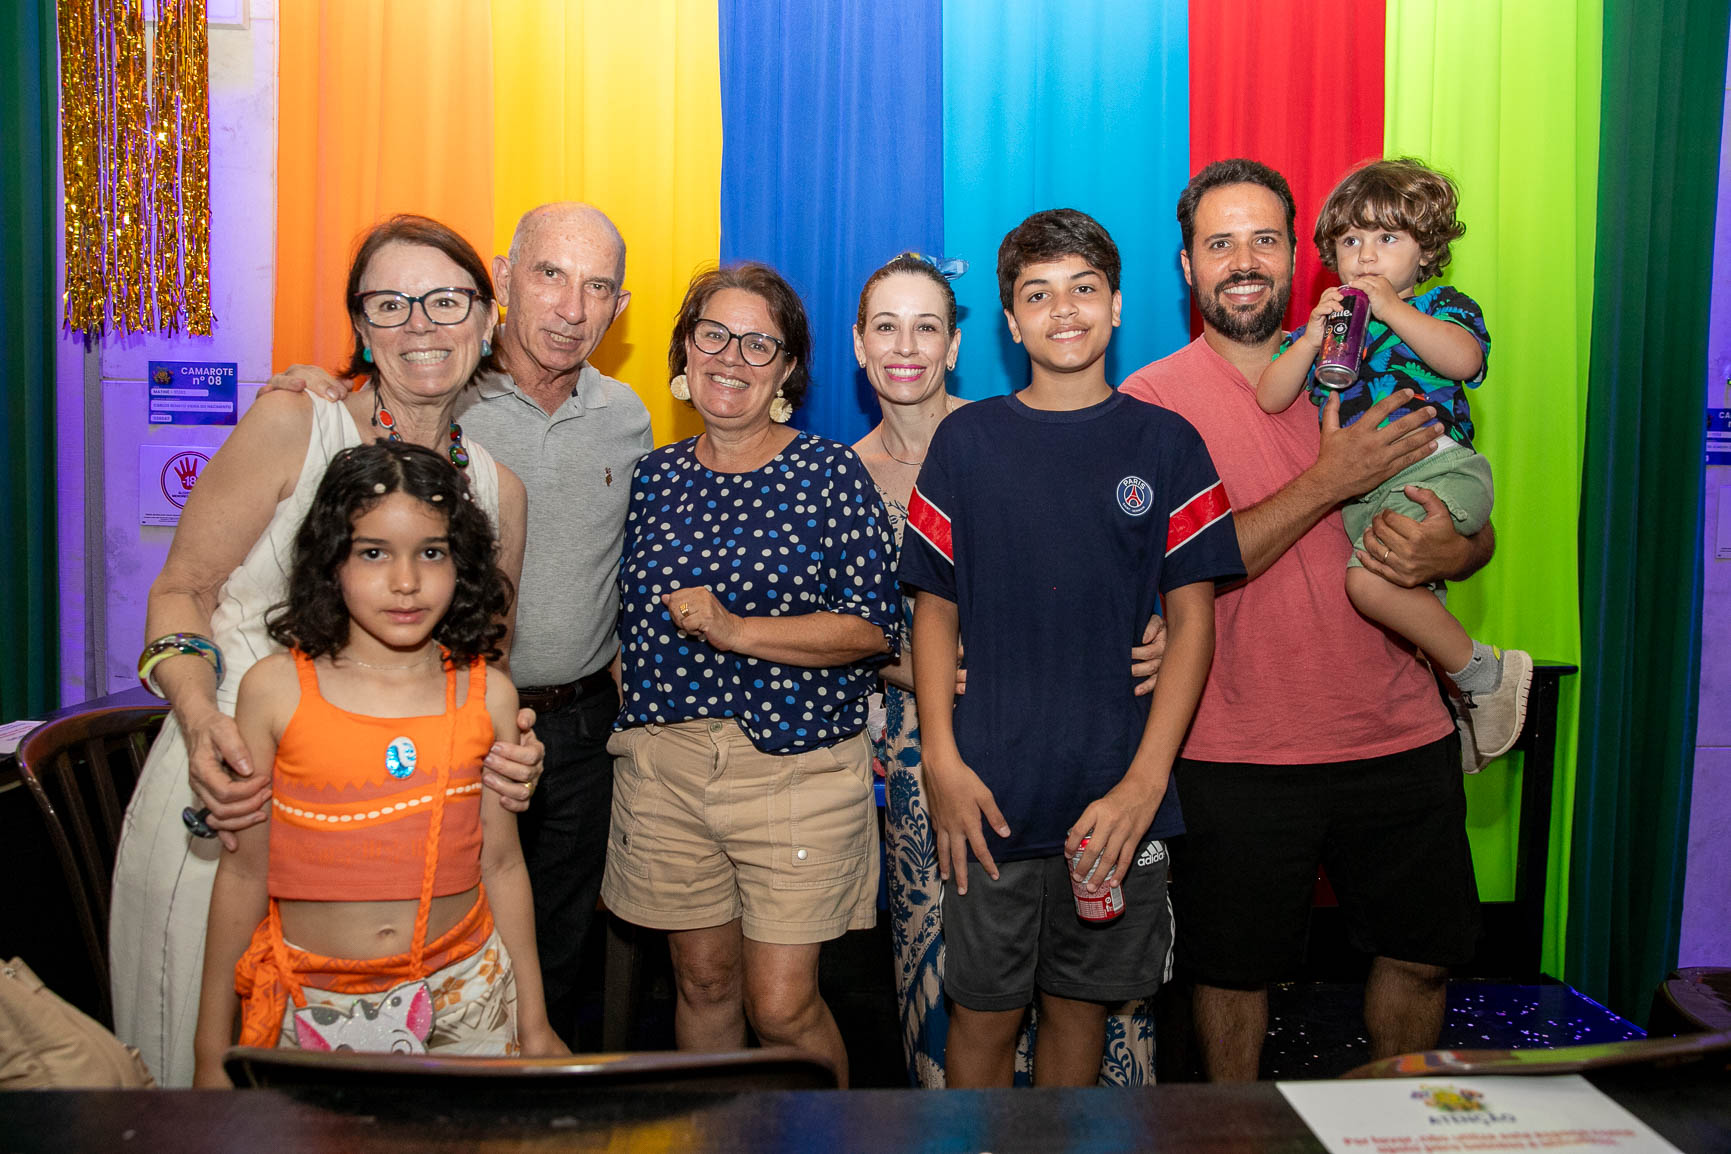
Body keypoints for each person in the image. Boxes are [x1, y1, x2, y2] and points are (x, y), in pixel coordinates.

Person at [110, 214, 541, 1087]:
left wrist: (512, 749)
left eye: (446, 300)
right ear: (359, 325)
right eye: (390, 304)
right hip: (235, 786)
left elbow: (480, 669)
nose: (420, 325)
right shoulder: (293, 423)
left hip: (400, 835)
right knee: (200, 1081)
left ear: (487, 317)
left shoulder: (498, 490)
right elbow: (180, 590)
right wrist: (199, 719)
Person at [1120, 159, 1493, 1080]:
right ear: (1187, 265)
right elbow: (1178, 565)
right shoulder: (1150, 404)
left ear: (1298, 255)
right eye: (1219, 244)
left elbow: (1463, 515)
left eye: (1264, 240)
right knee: (1231, 972)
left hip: (1396, 729)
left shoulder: (1381, 353)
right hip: (1233, 747)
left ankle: (1399, 1136)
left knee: (1420, 954)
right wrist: (1328, 480)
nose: (1243, 261)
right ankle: (1232, 1137)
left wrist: (1454, 551)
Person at [265, 203, 652, 1047]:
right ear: (502, 283)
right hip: (429, 729)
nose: (571, 308)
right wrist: (311, 381)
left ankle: (536, 1090)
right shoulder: (439, 384)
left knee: (558, 948)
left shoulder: (627, 415)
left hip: (577, 728)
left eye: (596, 288)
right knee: (426, 938)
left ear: (619, 307)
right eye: (549, 276)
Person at [900, 210, 1244, 1088]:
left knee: (1080, 1012)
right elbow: (933, 608)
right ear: (1010, 322)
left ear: (1117, 306)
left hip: (1115, 800)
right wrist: (940, 759)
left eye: (1083, 289)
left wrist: (1144, 783)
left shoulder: (1166, 444)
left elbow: (1192, 622)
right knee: (980, 1016)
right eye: (1038, 294)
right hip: (987, 797)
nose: (1063, 310)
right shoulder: (965, 442)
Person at [849, 252, 1168, 1087]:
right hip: (936, 756)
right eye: (886, 327)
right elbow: (860, 620)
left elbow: (1126, 572)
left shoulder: (1003, 436)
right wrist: (925, 691)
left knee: (1083, 995)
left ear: (957, 343)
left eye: (926, 327)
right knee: (957, 982)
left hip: (1069, 745)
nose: (905, 346)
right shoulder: (836, 474)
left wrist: (1158, 625)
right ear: (858, 343)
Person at [602, 263, 897, 1086]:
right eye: (713, 335)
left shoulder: (829, 473)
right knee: (701, 982)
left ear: (787, 369)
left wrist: (735, 631)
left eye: (757, 343)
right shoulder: (653, 477)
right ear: (684, 352)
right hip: (666, 771)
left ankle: (821, 1138)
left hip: (793, 767)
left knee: (781, 1005)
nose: (731, 357)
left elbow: (871, 628)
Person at [192, 443, 564, 1086]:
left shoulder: (488, 696)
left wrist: (533, 1022)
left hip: (468, 995)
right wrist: (208, 1051)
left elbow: (502, 864)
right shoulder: (275, 691)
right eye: (373, 553)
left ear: (463, 562)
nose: (406, 581)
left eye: (432, 552)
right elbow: (243, 872)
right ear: (331, 559)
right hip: (311, 1003)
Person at [1255, 158, 1531, 768]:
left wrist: (1393, 310)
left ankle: (1486, 677)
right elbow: (1271, 396)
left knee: (1368, 583)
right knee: (1402, 600)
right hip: (1368, 496)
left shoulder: (1440, 306)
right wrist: (1309, 339)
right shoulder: (1328, 329)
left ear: (1426, 250)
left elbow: (1464, 361)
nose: (1367, 256)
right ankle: (1463, 699)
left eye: (1388, 238)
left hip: (1437, 469)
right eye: (1352, 241)